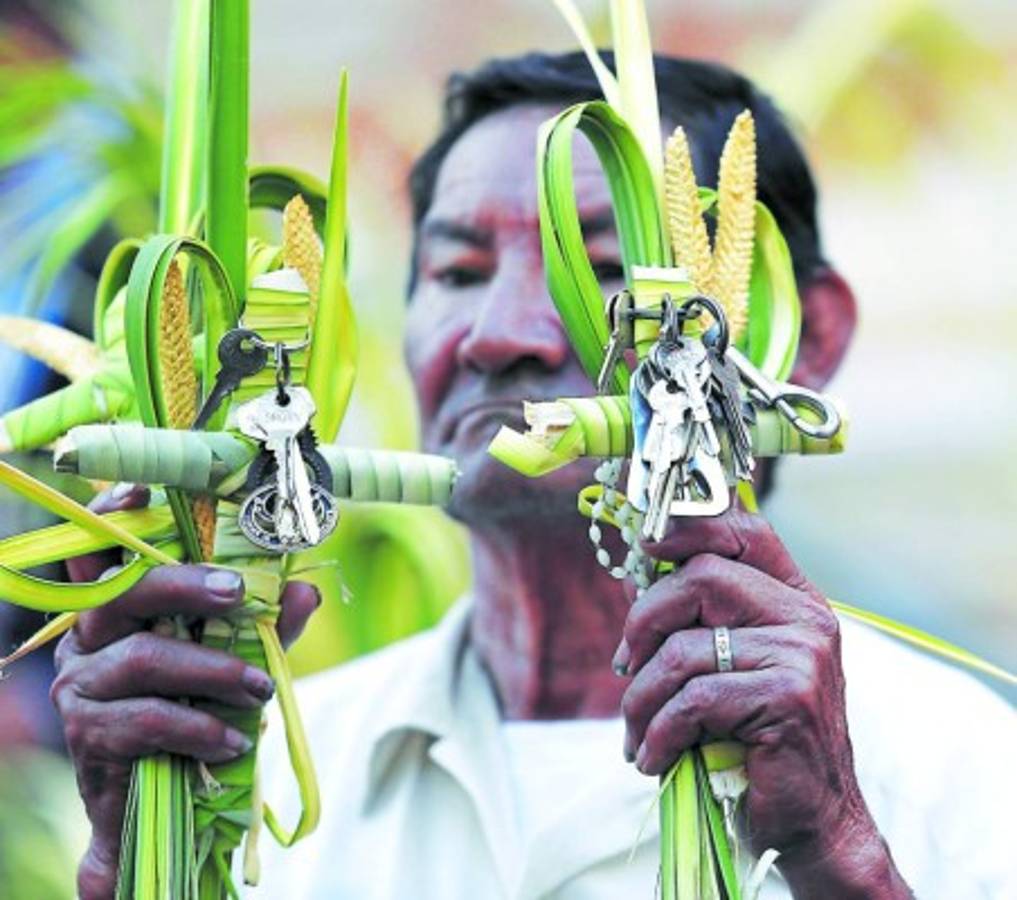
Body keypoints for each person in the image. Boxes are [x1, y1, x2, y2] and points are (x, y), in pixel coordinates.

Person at [51, 53, 1014, 899]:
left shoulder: (957, 769)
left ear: (808, 340)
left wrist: (837, 853)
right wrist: (132, 862)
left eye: (599, 267)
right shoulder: (260, 777)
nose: (500, 334)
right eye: (460, 271)